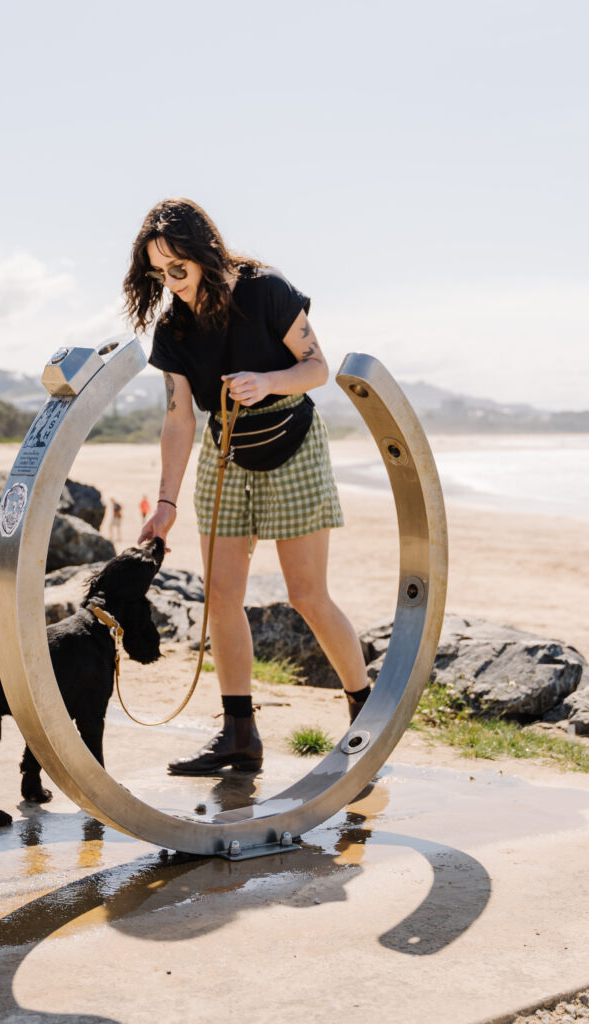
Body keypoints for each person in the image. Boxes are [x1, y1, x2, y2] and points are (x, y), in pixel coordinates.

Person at [126, 197, 372, 776]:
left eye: (177, 269)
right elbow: (179, 418)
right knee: (219, 599)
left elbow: (317, 368)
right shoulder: (174, 328)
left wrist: (267, 381)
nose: (171, 283)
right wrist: (164, 505)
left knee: (307, 596)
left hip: (294, 444)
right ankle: (240, 737)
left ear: (204, 253)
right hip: (225, 453)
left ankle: (368, 720)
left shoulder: (265, 290)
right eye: (157, 273)